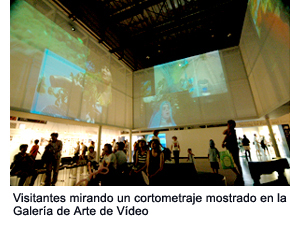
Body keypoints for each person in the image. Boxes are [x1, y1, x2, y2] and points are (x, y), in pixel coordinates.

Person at [222, 120, 244, 185]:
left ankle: (240, 174)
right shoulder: (230, 131)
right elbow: (224, 133)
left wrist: (224, 143)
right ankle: (239, 174)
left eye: (228, 124)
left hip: (233, 149)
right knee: (233, 163)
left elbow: (228, 137)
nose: (227, 125)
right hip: (231, 149)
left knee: (235, 162)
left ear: (231, 124)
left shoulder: (232, 131)